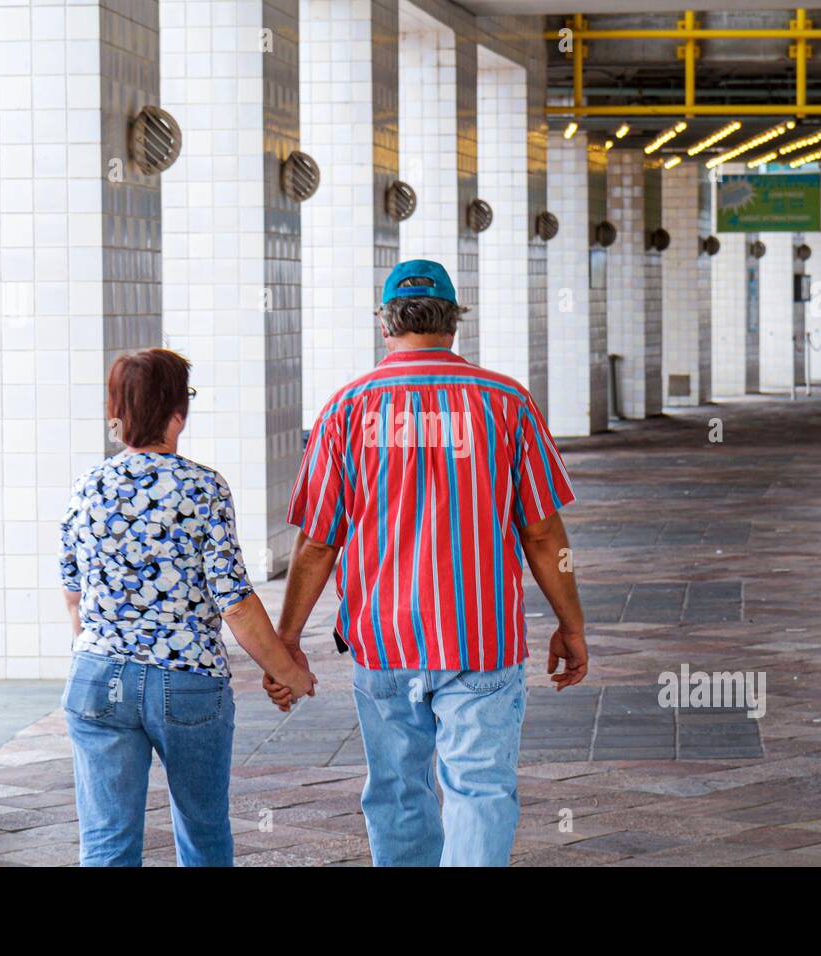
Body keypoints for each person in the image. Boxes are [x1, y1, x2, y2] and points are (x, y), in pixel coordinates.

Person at [264, 260, 587, 866]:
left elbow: (317, 543)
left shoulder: (347, 407)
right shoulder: (506, 402)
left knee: (396, 789)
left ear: (387, 326)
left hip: (382, 640)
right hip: (482, 639)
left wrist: (286, 642)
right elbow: (542, 532)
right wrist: (572, 625)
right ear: (453, 324)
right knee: (481, 790)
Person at [58, 348, 316, 866]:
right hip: (187, 683)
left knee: (107, 844)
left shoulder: (88, 485)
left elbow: (73, 593)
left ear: (117, 410)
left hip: (95, 679)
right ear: (178, 410)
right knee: (203, 835)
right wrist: (288, 672)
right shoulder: (202, 487)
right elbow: (235, 604)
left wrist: (109, 650)